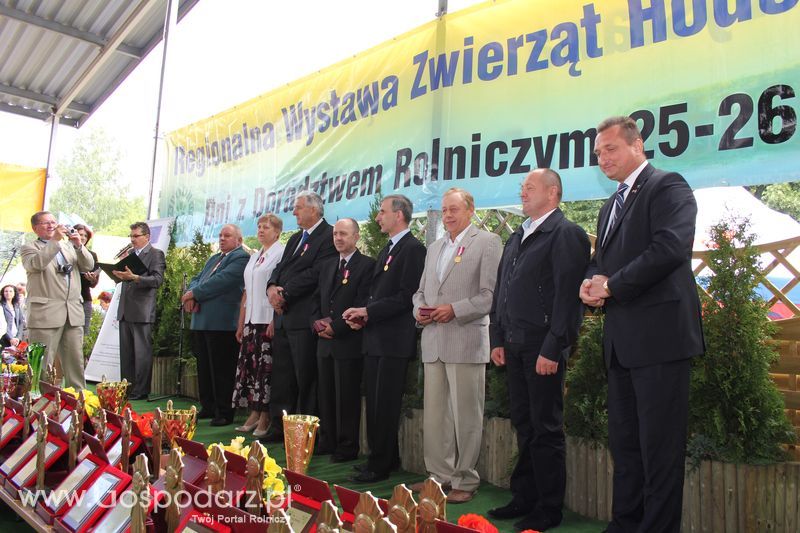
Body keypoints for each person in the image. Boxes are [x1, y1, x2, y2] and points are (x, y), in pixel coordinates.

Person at [579, 116, 704, 533]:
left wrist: (611, 285)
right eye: (598, 152)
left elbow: (669, 248)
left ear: (638, 146)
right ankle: (624, 524)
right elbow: (602, 262)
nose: (603, 158)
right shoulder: (608, 206)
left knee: (660, 453)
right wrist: (590, 283)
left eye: (610, 149)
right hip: (622, 344)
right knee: (626, 448)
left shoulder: (668, 186)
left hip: (661, 341)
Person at [488, 169, 590, 531]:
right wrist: (496, 338)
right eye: (522, 188)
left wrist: (554, 346)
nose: (523, 192)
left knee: (545, 429)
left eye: (529, 187)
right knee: (524, 424)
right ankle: (524, 496)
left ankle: (549, 508)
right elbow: (502, 291)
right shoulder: (518, 235)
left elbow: (568, 299)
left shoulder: (567, 234)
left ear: (553, 193)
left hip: (541, 348)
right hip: (512, 345)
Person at [411, 188, 502, 503]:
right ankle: (439, 477)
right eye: (444, 210)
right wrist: (419, 311)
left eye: (454, 209)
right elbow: (420, 292)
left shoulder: (488, 242)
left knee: (466, 416)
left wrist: (455, 310)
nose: (448, 215)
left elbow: (490, 296)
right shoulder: (434, 247)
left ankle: (465, 478)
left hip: (466, 339)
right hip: (433, 340)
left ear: (470, 209)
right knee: (435, 416)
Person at [344, 194, 426, 483]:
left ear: (399, 215)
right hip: (377, 337)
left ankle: (379, 466)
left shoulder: (413, 249)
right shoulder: (390, 248)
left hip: (394, 341)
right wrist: (363, 316)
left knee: (386, 404)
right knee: (377, 403)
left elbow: (406, 297)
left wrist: (368, 310)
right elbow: (379, 294)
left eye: (382, 212)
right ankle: (384, 458)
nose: (377, 217)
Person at [264, 191, 336, 441]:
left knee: (305, 377)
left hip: (304, 316)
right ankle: (278, 427)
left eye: (298, 207)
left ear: (314, 210)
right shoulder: (295, 238)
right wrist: (272, 288)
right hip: (284, 316)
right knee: (282, 376)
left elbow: (317, 273)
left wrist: (285, 293)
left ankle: (303, 433)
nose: (294, 212)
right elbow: (279, 268)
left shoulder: (329, 235)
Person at [310, 218, 375, 462]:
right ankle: (327, 440)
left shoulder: (367, 265)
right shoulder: (327, 265)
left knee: (346, 397)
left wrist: (335, 328)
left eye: (344, 234)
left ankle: (347, 447)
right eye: (336, 234)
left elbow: (363, 301)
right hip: (323, 343)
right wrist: (316, 325)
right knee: (325, 395)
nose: (338, 238)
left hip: (347, 342)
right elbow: (316, 300)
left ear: (356, 236)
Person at [181, 224, 249, 426]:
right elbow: (196, 279)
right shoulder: (214, 258)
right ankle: (208, 405)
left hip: (222, 322)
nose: (222, 238)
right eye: (220, 235)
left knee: (222, 370)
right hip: (202, 320)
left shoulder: (240, 258)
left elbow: (222, 281)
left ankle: (224, 411)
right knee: (205, 368)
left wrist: (195, 293)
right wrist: (191, 294)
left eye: (227, 235)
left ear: (239, 240)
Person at [21, 211, 94, 389]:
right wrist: (54, 241)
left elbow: (88, 265)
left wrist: (78, 245)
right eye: (46, 223)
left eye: (53, 222)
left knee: (75, 362)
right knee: (41, 363)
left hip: (72, 312)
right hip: (45, 314)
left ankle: (78, 401)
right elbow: (36, 264)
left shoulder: (69, 247)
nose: (51, 225)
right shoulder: (30, 247)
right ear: (35, 228)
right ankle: (40, 404)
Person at [232, 214, 285, 438]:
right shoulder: (255, 256)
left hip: (267, 319)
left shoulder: (280, 253)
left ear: (277, 232)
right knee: (252, 370)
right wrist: (241, 320)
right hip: (252, 319)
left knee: (266, 371)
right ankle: (254, 412)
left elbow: (278, 287)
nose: (261, 231)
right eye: (259, 227)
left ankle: (265, 416)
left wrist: (276, 318)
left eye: (266, 227)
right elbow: (247, 290)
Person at [113, 222, 167, 401]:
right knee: (126, 353)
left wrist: (135, 277)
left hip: (142, 310)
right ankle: (127, 388)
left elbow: (157, 280)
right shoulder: (129, 255)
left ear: (147, 237)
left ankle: (141, 390)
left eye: (136, 236)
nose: (133, 239)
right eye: (131, 236)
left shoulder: (155, 254)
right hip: (125, 309)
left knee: (142, 353)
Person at [73, 224, 100, 334]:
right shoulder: (64, 251)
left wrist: (92, 279)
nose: (83, 238)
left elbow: (93, 284)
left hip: (84, 298)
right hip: (66, 299)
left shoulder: (92, 255)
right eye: (80, 234)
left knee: (82, 334)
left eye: (85, 235)